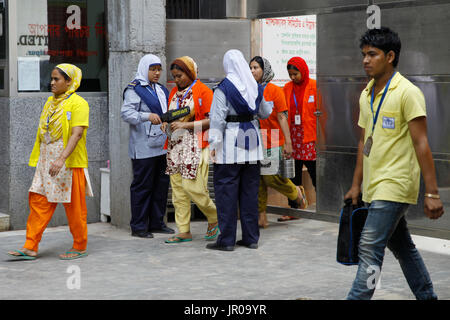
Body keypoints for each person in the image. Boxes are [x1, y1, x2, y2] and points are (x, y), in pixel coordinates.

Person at [344, 27, 444, 300]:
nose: (365, 60)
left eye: (372, 54)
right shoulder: (366, 94)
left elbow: (421, 143)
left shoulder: (407, 92)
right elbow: (365, 140)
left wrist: (432, 192)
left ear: (390, 56)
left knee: (369, 247)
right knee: (402, 246)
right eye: (363, 54)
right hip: (374, 186)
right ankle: (427, 296)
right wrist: (356, 185)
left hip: (396, 183)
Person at [7, 64, 93, 260]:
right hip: (46, 162)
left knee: (75, 208)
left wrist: (61, 159)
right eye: (52, 79)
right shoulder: (50, 102)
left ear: (70, 81)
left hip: (69, 163)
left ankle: (79, 246)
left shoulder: (79, 103)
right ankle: (30, 246)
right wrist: (46, 160)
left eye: (57, 79)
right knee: (38, 201)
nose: (52, 83)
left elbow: (77, 133)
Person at [207, 49, 273, 251]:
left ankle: (226, 241)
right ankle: (251, 238)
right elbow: (266, 112)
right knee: (249, 193)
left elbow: (217, 120)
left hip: (230, 145)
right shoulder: (254, 86)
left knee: (227, 193)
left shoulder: (223, 89)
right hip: (252, 144)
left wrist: (213, 146)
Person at [162, 56, 218, 244]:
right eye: (175, 77)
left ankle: (215, 216)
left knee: (193, 187)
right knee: (178, 190)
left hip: (196, 145)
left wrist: (185, 126)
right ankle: (183, 230)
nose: (177, 80)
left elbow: (212, 120)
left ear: (190, 73)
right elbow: (170, 116)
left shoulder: (203, 91)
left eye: (180, 76)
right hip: (175, 147)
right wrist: (165, 123)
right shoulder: (174, 93)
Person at [121, 54, 174, 238]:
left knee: (160, 185)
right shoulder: (134, 89)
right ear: (145, 69)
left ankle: (157, 222)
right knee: (143, 186)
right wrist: (146, 116)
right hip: (143, 146)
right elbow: (126, 113)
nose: (157, 73)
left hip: (161, 144)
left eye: (159, 69)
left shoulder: (160, 89)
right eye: (153, 69)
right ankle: (139, 226)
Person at [249, 56, 306, 228]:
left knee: (270, 177)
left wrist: (288, 142)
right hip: (254, 140)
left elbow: (282, 117)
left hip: (273, 138)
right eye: (250, 67)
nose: (252, 71)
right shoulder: (248, 89)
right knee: (258, 180)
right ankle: (262, 216)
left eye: (256, 67)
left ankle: (296, 192)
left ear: (264, 70)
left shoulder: (275, 90)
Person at [279, 56, 318, 221]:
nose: (293, 77)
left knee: (315, 173)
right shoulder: (286, 88)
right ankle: (294, 209)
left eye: (295, 74)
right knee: (292, 175)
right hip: (292, 138)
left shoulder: (314, 86)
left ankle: (326, 207)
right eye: (290, 74)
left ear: (303, 71)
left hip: (310, 138)